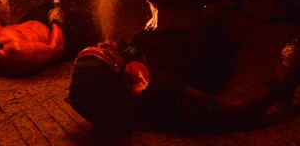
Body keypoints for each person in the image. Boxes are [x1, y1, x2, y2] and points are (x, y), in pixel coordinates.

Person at [67, 24, 300, 134]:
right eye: (102, 52)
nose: (100, 45)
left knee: (142, 39)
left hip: (177, 39)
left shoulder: (121, 72)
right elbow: (232, 111)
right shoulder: (163, 91)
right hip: (209, 46)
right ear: (115, 68)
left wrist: (118, 47)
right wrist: (280, 86)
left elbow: (129, 52)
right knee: (217, 31)